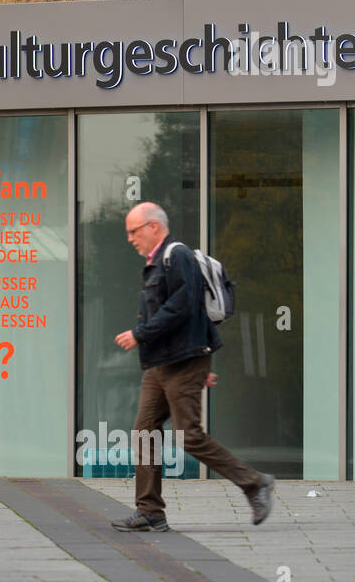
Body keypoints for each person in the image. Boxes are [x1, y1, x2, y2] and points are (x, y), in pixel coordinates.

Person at [110, 202, 274, 531]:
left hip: (183, 361)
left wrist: (140, 335)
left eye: (133, 230)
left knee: (189, 436)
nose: (129, 238)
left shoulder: (177, 255)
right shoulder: (155, 263)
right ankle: (150, 511)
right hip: (163, 364)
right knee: (144, 432)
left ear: (153, 226)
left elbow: (183, 307)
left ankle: (254, 483)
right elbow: (178, 313)